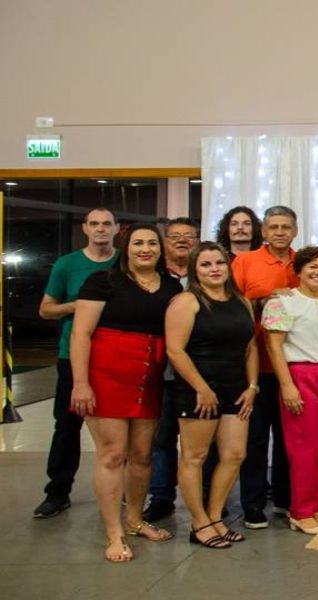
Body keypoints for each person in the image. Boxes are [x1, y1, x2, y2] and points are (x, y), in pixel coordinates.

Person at [70, 223, 183, 562]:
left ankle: (135, 520)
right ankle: (114, 532)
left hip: (149, 377)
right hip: (106, 376)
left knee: (142, 455)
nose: (145, 249)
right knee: (112, 455)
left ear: (161, 249)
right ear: (126, 247)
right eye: (137, 243)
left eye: (151, 243)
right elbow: (80, 333)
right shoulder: (103, 281)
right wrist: (80, 382)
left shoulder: (172, 285)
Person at [163, 242, 258, 548]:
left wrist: (252, 386)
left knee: (234, 455)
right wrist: (201, 388)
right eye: (205, 264)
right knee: (195, 457)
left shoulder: (241, 301)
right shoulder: (186, 302)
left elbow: (250, 347)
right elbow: (174, 350)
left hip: (236, 388)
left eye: (219, 262)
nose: (214, 269)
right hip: (198, 390)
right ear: (194, 270)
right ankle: (199, 522)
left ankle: (215, 517)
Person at [261, 247, 318, 534]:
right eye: (313, 267)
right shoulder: (282, 301)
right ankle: (300, 511)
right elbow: (273, 346)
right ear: (299, 270)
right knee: (304, 447)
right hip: (302, 375)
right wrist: (288, 385)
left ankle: (315, 507)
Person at [33, 207, 119, 519]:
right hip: (72, 358)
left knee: (122, 429)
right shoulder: (67, 265)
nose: (100, 229)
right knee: (67, 427)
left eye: (106, 224)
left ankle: (121, 492)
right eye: (94, 224)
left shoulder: (124, 262)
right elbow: (46, 309)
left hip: (113, 358)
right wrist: (81, 306)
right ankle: (57, 492)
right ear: (85, 228)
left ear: (116, 228)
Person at [230, 205, 300, 528]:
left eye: (286, 227)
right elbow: (231, 306)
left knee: (290, 440)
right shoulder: (245, 262)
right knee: (256, 440)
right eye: (274, 227)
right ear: (264, 231)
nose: (280, 232)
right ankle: (253, 504)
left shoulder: (305, 262)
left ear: (295, 231)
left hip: (296, 366)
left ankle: (286, 500)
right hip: (257, 366)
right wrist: (269, 297)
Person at [145, 217, 201, 522]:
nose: (182, 241)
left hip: (204, 370)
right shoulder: (156, 279)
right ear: (165, 241)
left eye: (188, 236)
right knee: (162, 439)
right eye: (175, 236)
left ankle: (202, 495)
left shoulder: (206, 275)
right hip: (164, 371)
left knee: (203, 443)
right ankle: (162, 496)